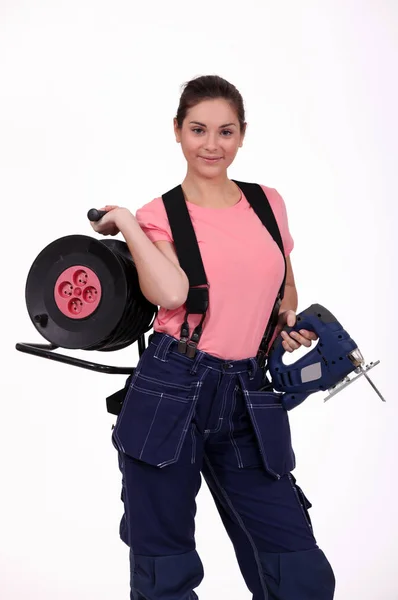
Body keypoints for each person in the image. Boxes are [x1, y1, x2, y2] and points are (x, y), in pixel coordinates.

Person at [90, 75, 336, 600]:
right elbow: (173, 293)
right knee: (165, 572)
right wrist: (129, 224)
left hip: (249, 392)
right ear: (177, 132)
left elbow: (283, 281)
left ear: (242, 135)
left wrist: (284, 319)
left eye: (225, 132)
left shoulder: (268, 203)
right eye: (198, 130)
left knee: (299, 572)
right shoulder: (160, 215)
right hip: (172, 387)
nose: (211, 144)